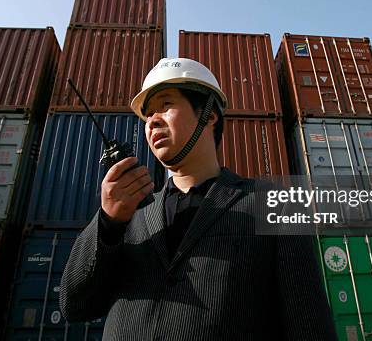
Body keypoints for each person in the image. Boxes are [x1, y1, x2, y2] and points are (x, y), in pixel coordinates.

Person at [59, 58, 336, 340]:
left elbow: (309, 325)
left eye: (165, 106)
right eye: (148, 115)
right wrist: (108, 222)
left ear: (209, 114)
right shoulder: (126, 216)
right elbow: (75, 307)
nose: (152, 120)